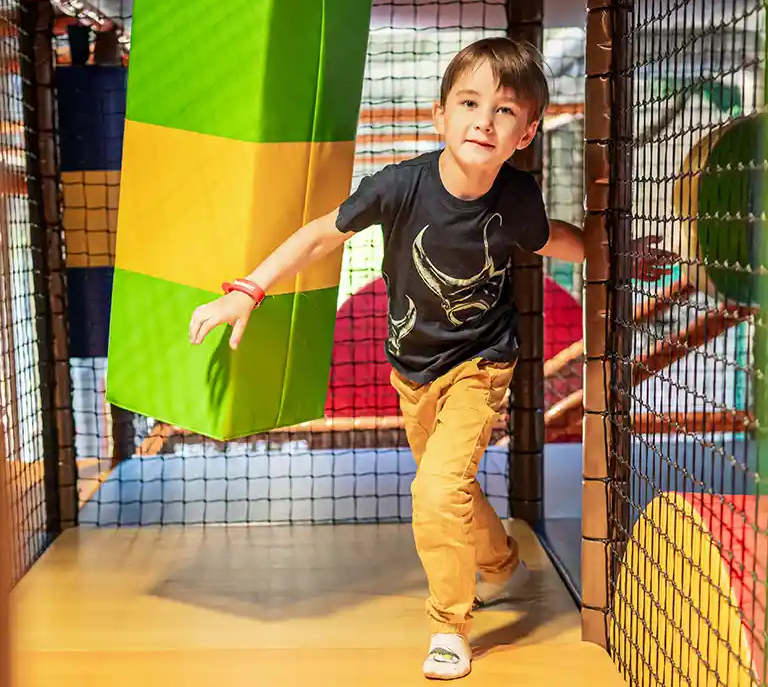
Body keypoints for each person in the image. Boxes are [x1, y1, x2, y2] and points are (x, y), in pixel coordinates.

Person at [189, 37, 673, 680]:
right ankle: (502, 569)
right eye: (469, 103)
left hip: (483, 363)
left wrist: (612, 255)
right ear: (438, 116)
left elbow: (551, 238)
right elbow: (317, 236)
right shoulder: (399, 186)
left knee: (435, 490)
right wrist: (249, 290)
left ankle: (450, 625)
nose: (484, 120)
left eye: (504, 111)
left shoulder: (517, 197)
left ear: (526, 132)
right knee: (451, 488)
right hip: (410, 368)